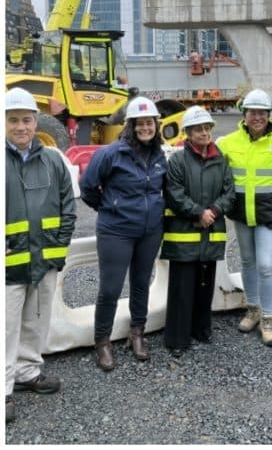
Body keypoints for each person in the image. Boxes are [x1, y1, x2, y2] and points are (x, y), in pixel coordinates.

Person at [80, 96, 168, 370]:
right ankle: (102, 341)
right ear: (130, 125)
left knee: (141, 282)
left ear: (156, 125)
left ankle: (137, 333)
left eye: (149, 122)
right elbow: (87, 188)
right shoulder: (110, 154)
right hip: (116, 231)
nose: (145, 128)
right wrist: (111, 208)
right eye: (139, 123)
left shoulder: (158, 155)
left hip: (150, 230)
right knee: (110, 289)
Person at [5, 88, 76, 421]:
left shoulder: (52, 160)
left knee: (35, 320)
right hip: (8, 264)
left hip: (45, 260)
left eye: (27, 120)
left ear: (36, 122)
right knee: (5, 328)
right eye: (14, 120)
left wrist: (58, 251)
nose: (21, 127)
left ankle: (28, 371)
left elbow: (68, 208)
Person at [217, 89, 272, 347]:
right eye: (253, 112)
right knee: (246, 261)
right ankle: (253, 308)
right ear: (244, 113)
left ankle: (268, 317)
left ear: (269, 114)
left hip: (270, 215)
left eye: (262, 112)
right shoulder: (228, 143)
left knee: (266, 265)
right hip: (242, 215)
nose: (257, 117)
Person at [161, 107, 235, 357]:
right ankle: (177, 339)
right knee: (182, 289)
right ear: (188, 133)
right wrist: (197, 213)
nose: (204, 133)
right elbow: (174, 193)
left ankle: (201, 330)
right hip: (185, 237)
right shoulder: (178, 160)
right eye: (198, 129)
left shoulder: (220, 159)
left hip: (210, 234)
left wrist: (213, 211)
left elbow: (229, 192)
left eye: (207, 128)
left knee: (205, 284)